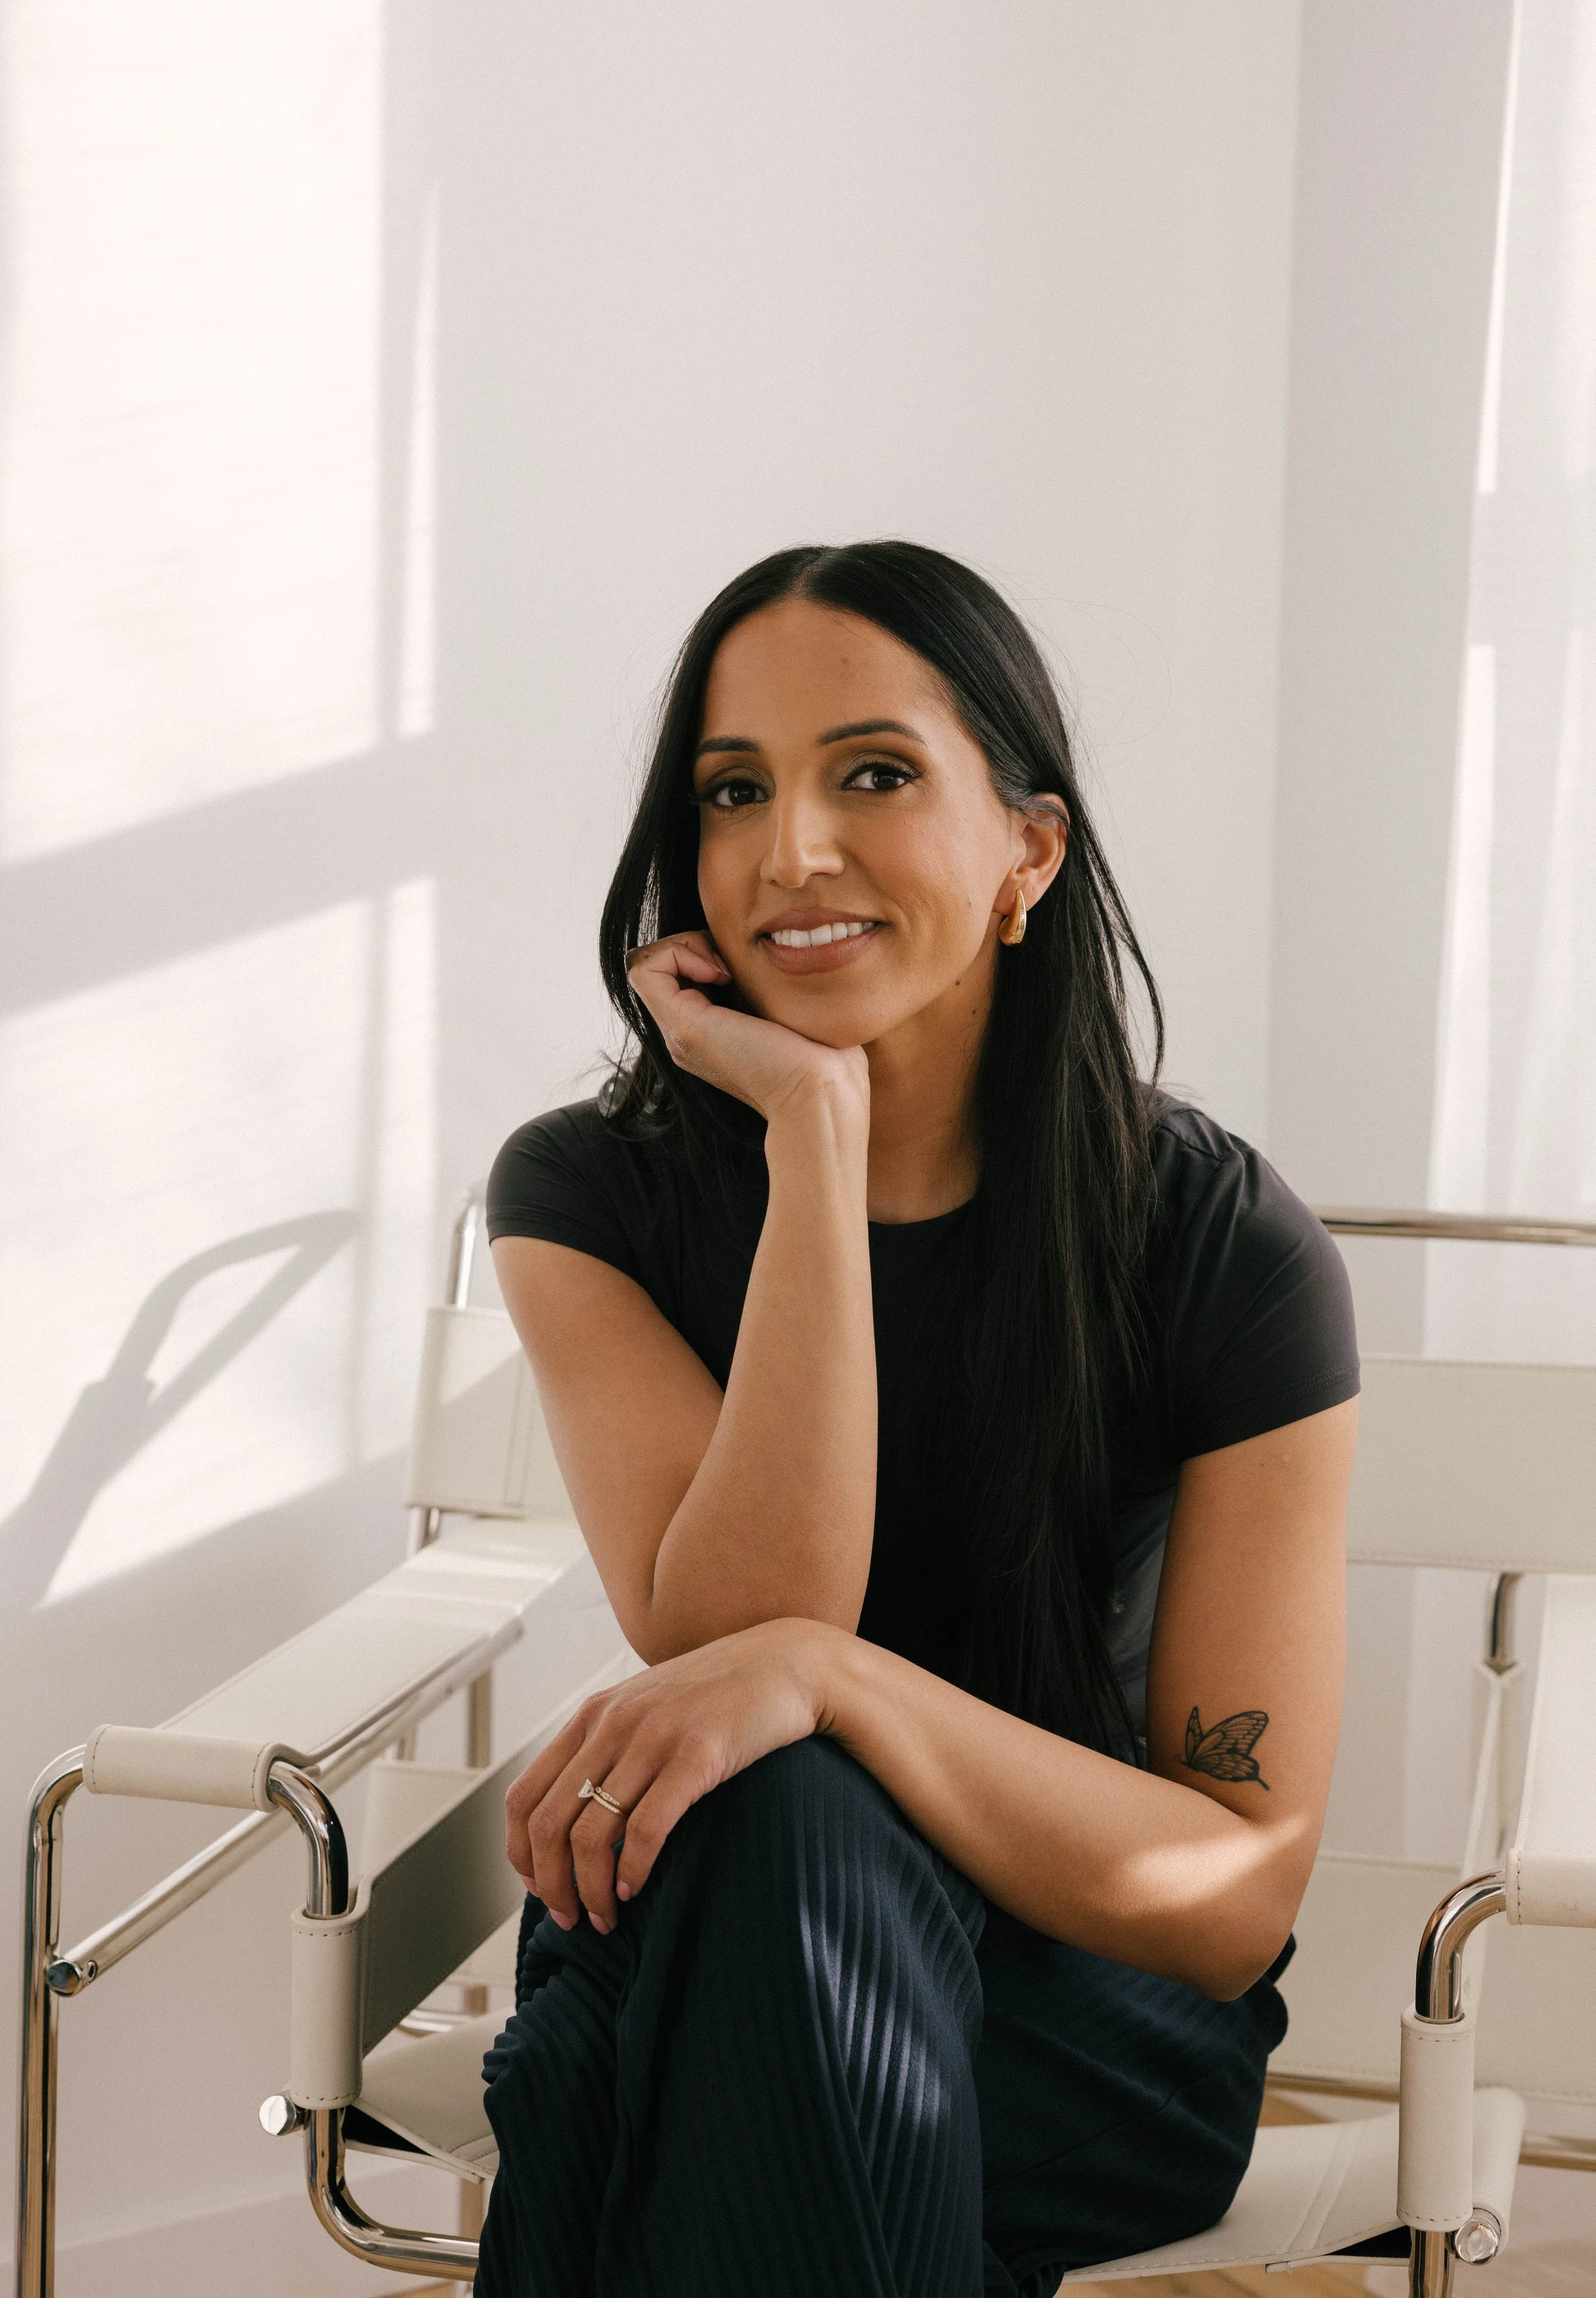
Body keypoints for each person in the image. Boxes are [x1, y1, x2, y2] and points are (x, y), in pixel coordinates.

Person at [476, 541, 1359, 2298]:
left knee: (669, 2005)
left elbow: (1233, 1888)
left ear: (1030, 848)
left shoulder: (1218, 1244)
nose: (791, 851)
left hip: (1083, 2010)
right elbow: (736, 1627)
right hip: (723, 1928)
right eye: (734, 791)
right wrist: (817, 1139)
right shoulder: (587, 1196)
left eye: (872, 773)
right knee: (774, 1842)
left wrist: (838, 1682)